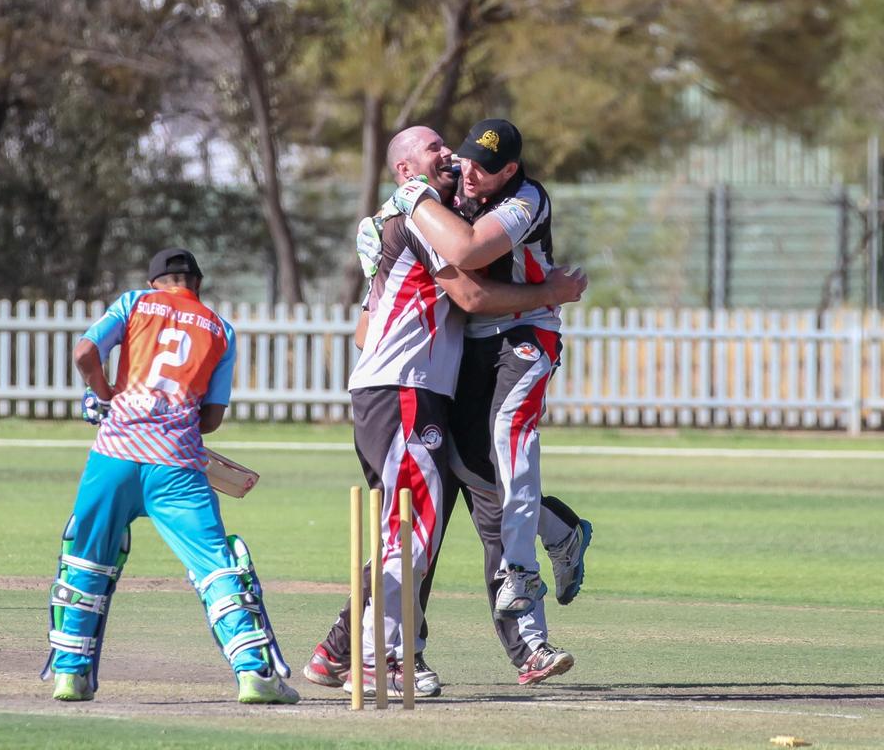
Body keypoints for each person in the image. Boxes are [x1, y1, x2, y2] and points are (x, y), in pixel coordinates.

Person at [306, 126, 588, 698]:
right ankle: (381, 656)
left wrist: (383, 282)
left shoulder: (429, 211)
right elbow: (472, 289)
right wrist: (552, 291)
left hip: (416, 386)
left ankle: (343, 651)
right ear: (407, 171)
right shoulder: (419, 211)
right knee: (412, 527)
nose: (450, 157)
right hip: (403, 388)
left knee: (422, 521)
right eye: (435, 148)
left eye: (447, 146)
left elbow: (366, 329)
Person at [40, 247, 299, 705]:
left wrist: (106, 398)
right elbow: (211, 420)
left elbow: (84, 353)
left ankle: (70, 675)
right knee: (216, 566)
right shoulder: (220, 327)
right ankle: (253, 674)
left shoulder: (133, 303)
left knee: (85, 559)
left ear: (155, 282)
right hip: (176, 463)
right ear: (196, 284)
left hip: (114, 456)